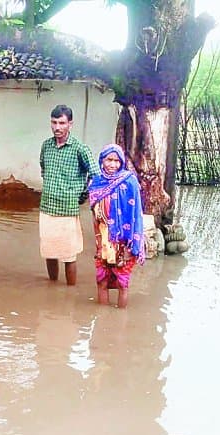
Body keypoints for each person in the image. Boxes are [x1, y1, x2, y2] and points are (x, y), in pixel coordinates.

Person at [38, 104, 98, 286]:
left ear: (70, 124)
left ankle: (69, 294)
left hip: (68, 209)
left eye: (62, 123)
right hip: (47, 207)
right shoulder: (46, 146)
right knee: (49, 252)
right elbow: (43, 169)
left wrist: (83, 194)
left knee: (68, 255)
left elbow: (95, 175)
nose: (57, 127)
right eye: (54, 122)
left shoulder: (80, 148)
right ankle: (53, 288)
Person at [88, 144, 145, 308]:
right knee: (101, 281)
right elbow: (95, 217)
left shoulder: (129, 182)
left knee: (122, 284)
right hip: (104, 240)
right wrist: (98, 242)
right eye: (108, 160)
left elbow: (136, 215)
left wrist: (130, 245)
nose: (112, 165)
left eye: (116, 161)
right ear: (102, 161)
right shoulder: (96, 183)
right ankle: (102, 320)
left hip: (123, 242)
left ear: (121, 163)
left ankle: (120, 324)